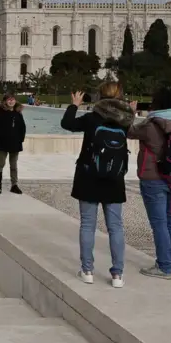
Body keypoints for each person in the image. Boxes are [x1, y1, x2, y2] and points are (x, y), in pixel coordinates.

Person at [61, 81, 134, 289]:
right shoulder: (124, 120)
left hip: (88, 175)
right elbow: (130, 131)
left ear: (99, 96)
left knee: (87, 225)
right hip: (114, 178)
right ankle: (117, 274)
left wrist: (74, 105)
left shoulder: (92, 118)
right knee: (115, 227)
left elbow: (67, 124)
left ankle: (87, 271)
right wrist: (131, 111)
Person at [128, 88, 171, 280]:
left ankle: (163, 267)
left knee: (159, 223)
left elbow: (129, 131)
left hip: (153, 179)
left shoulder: (151, 125)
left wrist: (131, 113)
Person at [0, 92, 27, 194]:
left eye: (13, 99)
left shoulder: (18, 113)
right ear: (5, 101)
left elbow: (22, 128)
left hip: (15, 143)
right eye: (9, 99)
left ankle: (14, 185)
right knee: (0, 164)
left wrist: (20, 140)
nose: (11, 101)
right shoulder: (1, 112)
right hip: (3, 142)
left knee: (13, 165)